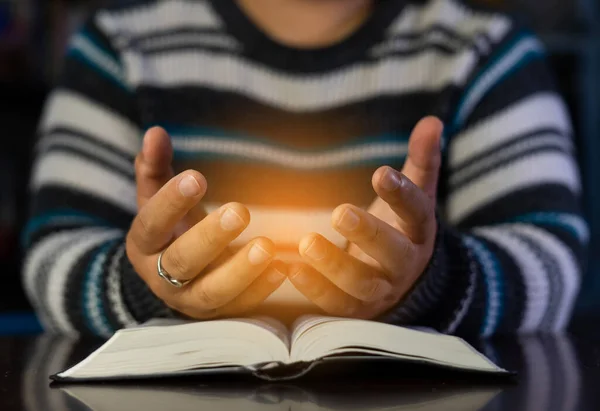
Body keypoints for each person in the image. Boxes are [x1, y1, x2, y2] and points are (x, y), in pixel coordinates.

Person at [23, 0, 587, 338]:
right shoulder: (118, 47)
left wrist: (433, 281)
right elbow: (53, 258)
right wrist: (144, 284)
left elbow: (551, 261)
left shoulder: (487, 52)